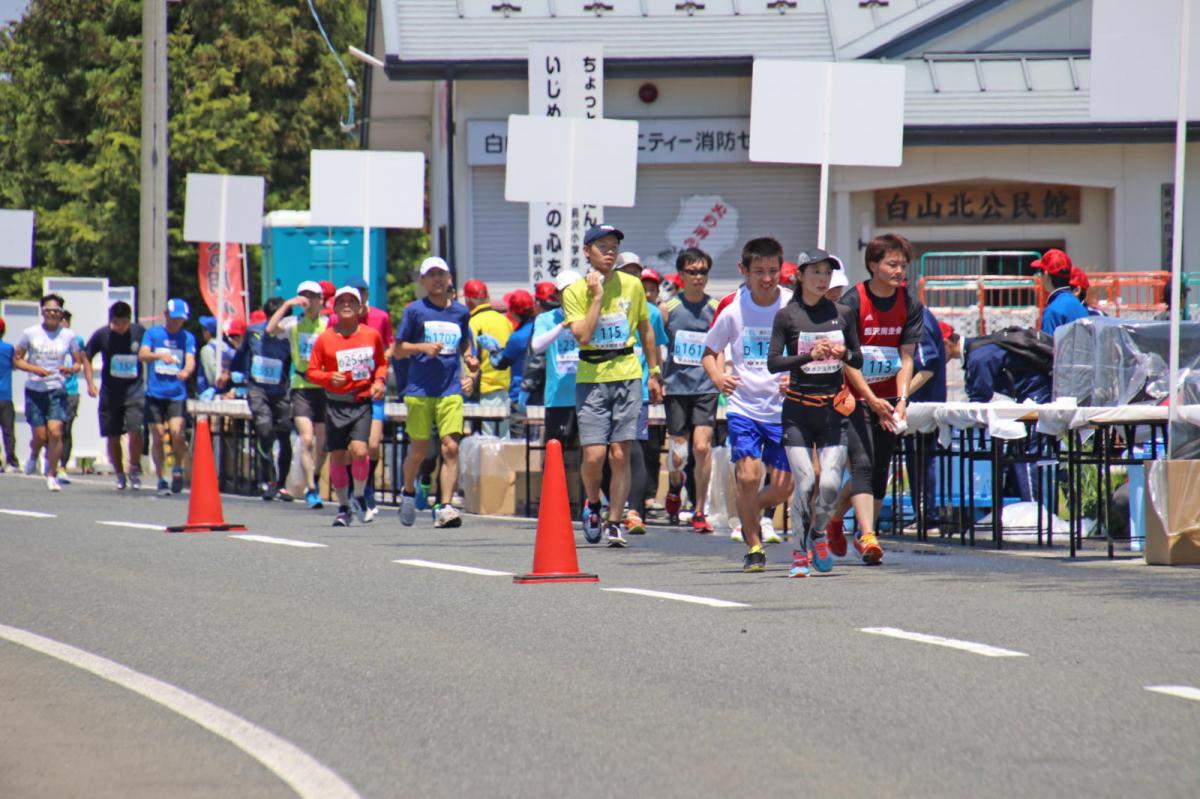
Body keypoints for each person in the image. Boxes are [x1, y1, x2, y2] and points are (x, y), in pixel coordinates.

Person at [826, 234, 925, 566]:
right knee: (863, 464)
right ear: (873, 265)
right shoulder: (852, 302)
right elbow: (848, 360)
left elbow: (906, 357)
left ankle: (837, 519)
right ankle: (868, 535)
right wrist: (869, 399)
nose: (899, 271)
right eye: (891, 264)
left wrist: (900, 400)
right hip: (853, 398)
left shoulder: (910, 304)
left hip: (888, 397)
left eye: (903, 265)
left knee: (879, 470)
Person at [562, 225, 663, 548]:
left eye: (614, 246)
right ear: (587, 251)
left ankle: (615, 520)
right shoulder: (575, 291)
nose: (610, 251)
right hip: (591, 377)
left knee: (621, 454)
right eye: (602, 246)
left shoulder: (633, 285)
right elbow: (583, 335)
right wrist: (597, 298)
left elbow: (646, 330)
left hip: (627, 373)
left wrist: (655, 371)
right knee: (594, 455)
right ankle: (593, 504)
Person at [702, 237, 794, 572]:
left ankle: (746, 508)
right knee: (747, 476)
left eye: (773, 270)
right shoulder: (732, 307)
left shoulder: (794, 304)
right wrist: (718, 378)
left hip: (784, 408)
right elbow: (710, 353)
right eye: (759, 271)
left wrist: (797, 376)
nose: (768, 278)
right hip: (744, 405)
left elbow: (811, 349)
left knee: (784, 486)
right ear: (744, 270)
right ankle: (754, 547)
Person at [767, 249, 861, 577]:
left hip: (833, 411)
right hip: (797, 412)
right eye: (816, 272)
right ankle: (798, 552)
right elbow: (773, 362)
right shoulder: (787, 316)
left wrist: (844, 352)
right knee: (806, 482)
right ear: (800, 277)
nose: (822, 279)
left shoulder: (844, 313)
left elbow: (858, 359)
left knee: (832, 485)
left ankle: (818, 533)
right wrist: (807, 356)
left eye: (827, 273)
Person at [395, 257, 478, 529]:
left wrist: (470, 361)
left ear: (449, 278)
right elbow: (398, 349)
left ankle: (445, 506)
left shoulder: (460, 312)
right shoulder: (415, 311)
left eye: (441, 274)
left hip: (450, 389)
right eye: (431, 275)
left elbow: (465, 343)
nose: (437, 279)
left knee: (451, 447)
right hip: (419, 390)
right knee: (419, 451)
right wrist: (422, 348)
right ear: (423, 281)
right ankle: (408, 491)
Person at [306, 286, 388, 526]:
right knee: (338, 455)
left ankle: (360, 495)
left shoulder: (371, 335)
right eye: (341, 301)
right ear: (334, 306)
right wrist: (329, 378)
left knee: (361, 450)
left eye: (352, 301)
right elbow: (311, 371)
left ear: (360, 306)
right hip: (334, 404)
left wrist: (379, 381)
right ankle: (343, 507)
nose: (346, 305)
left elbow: (381, 364)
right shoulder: (325, 338)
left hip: (361, 401)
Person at [660, 247, 721, 532]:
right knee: (679, 455)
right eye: (692, 272)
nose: (698, 277)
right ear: (681, 275)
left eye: (703, 272)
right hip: (675, 388)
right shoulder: (668, 308)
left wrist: (721, 376)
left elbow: (721, 345)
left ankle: (699, 510)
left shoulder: (716, 308)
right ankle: (674, 487)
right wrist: (655, 376)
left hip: (706, 387)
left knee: (702, 447)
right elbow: (656, 346)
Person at [614, 251, 668, 536]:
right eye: (627, 271)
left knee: (635, 449)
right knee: (612, 451)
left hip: (639, 389)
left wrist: (657, 376)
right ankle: (608, 503)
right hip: (607, 384)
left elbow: (656, 346)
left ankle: (634, 511)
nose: (632, 277)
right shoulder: (609, 302)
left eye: (637, 272)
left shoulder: (653, 312)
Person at [224, 297, 294, 501]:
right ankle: (269, 478)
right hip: (257, 388)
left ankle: (281, 484)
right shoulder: (254, 331)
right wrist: (230, 379)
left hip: (280, 390)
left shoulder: (290, 334)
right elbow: (240, 355)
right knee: (264, 429)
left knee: (284, 435)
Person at [14, 294, 86, 491]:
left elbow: (79, 361)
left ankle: (52, 473)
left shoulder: (69, 336)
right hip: (35, 389)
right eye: (48, 310)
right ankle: (33, 454)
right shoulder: (30, 333)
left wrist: (71, 369)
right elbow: (17, 359)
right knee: (41, 436)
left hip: (57, 388)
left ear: (61, 313)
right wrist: (34, 369)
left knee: (56, 432)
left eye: (56, 311)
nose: (52, 314)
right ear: (42, 312)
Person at [267, 280, 329, 509]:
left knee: (322, 444)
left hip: (323, 386)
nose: (308, 300)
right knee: (306, 438)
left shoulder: (327, 325)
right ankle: (312, 489)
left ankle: (314, 476)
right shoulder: (294, 324)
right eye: (304, 296)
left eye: (313, 296)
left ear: (320, 300)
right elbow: (271, 329)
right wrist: (287, 305)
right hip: (302, 386)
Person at [903, 315, 958, 533]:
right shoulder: (918, 318)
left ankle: (929, 516)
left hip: (922, 405)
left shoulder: (918, 320)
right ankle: (925, 515)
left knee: (922, 461)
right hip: (918, 404)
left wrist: (900, 395)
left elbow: (928, 366)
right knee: (917, 461)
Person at [345, 276, 394, 520]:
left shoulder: (380, 317)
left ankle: (367, 488)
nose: (358, 297)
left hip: (373, 388)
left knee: (373, 443)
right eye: (352, 293)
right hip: (346, 391)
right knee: (351, 447)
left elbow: (390, 345)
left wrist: (381, 367)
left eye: (362, 292)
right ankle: (355, 491)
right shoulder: (338, 320)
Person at [85, 301, 146, 490]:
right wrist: (90, 382)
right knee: (113, 435)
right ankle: (119, 473)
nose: (120, 328)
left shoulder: (139, 332)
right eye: (116, 323)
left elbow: (150, 352)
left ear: (130, 320)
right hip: (110, 393)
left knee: (136, 429)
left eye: (124, 323)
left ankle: (133, 467)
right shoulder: (102, 335)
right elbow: (86, 356)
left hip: (134, 391)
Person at [139, 298, 197, 497]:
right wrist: (158, 356)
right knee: (157, 435)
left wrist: (186, 372)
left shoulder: (187, 337)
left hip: (176, 394)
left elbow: (190, 360)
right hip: (155, 393)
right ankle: (161, 478)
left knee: (177, 432)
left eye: (180, 320)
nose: (176, 323)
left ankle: (178, 469)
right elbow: (142, 354)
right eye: (174, 319)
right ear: (166, 316)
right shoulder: (153, 334)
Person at [530, 271, 583, 446]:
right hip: (558, 396)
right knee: (556, 452)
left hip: (588, 395)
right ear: (558, 295)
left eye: (574, 290)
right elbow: (536, 346)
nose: (570, 296)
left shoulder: (590, 317)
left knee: (592, 453)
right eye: (565, 292)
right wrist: (561, 326)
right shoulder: (546, 318)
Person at [464, 278, 512, 437]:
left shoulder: (473, 322)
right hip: (505, 389)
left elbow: (470, 357)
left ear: (468, 299)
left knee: (486, 446)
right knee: (504, 443)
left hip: (484, 391)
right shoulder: (504, 321)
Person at [54, 310, 88, 483]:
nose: (64, 324)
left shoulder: (77, 341)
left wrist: (90, 383)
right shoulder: (50, 340)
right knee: (53, 429)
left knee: (66, 429)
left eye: (66, 321)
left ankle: (62, 466)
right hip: (52, 389)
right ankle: (51, 462)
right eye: (61, 320)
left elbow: (84, 361)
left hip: (71, 390)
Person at [1035, 248, 1088, 336]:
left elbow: (1047, 348)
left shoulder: (1053, 310)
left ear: (1046, 274)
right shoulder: (1079, 306)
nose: (1039, 276)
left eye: (1040, 271)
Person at [0, 318, 17, 472]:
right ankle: (11, 460)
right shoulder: (8, 348)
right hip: (5, 395)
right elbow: (15, 364)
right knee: (8, 431)